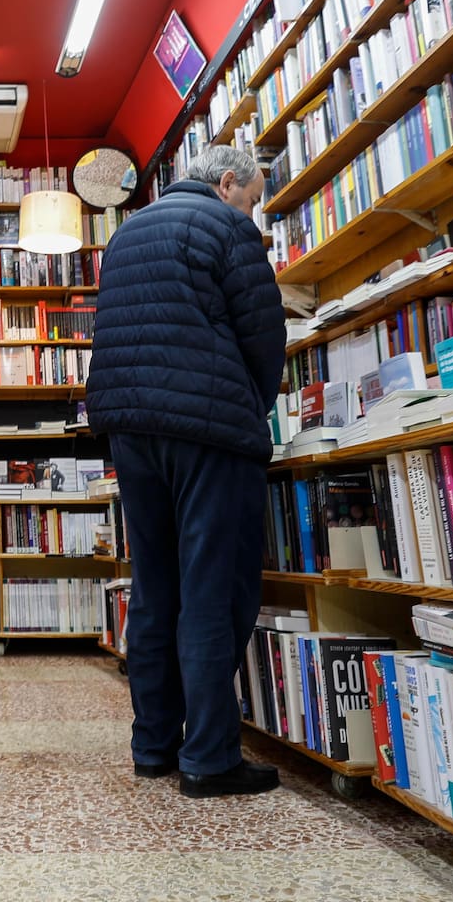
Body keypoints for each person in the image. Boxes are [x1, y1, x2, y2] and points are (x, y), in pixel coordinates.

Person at [86, 146, 286, 799]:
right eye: (252, 199)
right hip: (208, 428)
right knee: (212, 591)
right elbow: (264, 335)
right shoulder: (227, 226)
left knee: (154, 586)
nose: (251, 212)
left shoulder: (124, 235)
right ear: (227, 183)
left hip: (130, 429)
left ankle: (153, 747)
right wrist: (252, 405)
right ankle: (208, 757)